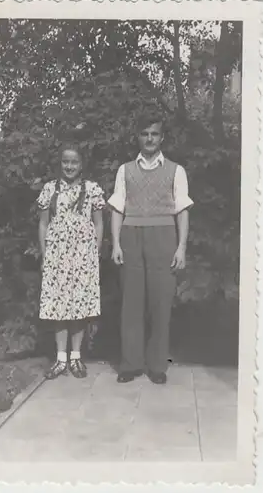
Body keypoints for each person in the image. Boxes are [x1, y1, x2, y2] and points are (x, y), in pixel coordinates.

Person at [108, 112, 193, 384]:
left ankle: (157, 365)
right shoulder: (125, 170)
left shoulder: (176, 170)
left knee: (160, 303)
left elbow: (182, 211)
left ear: (162, 138)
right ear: (138, 137)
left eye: (154, 134)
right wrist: (116, 243)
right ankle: (130, 364)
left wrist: (181, 247)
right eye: (144, 134)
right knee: (131, 303)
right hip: (131, 237)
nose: (149, 139)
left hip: (164, 236)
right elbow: (117, 209)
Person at [37, 144, 105, 380]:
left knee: (79, 308)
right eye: (66, 162)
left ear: (82, 164)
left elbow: (98, 224)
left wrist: (94, 253)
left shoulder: (92, 189)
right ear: (60, 163)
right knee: (59, 308)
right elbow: (44, 224)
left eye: (74, 162)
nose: (69, 166)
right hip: (57, 257)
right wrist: (45, 255)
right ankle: (61, 359)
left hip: (83, 256)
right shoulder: (50, 189)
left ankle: (76, 357)